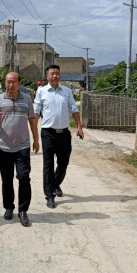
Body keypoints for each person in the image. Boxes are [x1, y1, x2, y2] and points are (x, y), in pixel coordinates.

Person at [0, 72, 39, 226]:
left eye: (13, 82)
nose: (10, 85)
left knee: (24, 178)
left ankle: (23, 210)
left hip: (23, 146)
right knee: (6, 179)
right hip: (4, 147)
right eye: (8, 82)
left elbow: (32, 121)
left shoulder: (27, 99)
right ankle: (9, 207)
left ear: (19, 83)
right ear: (5, 83)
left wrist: (36, 140)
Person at [34, 65, 84, 209]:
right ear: (47, 76)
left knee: (64, 162)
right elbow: (36, 112)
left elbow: (74, 109)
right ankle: (50, 195)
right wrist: (35, 135)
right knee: (48, 164)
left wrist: (79, 126)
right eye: (52, 73)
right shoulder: (41, 91)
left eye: (57, 73)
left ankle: (55, 184)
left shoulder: (67, 91)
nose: (55, 76)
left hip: (64, 133)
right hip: (48, 133)